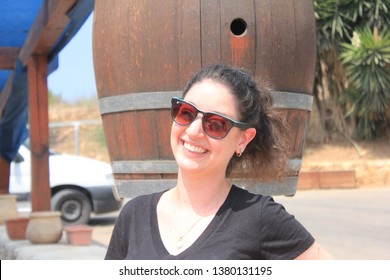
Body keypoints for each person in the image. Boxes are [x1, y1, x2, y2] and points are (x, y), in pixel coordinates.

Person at [105, 64, 332, 260]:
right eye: (186, 112)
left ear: (243, 139)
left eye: (216, 124)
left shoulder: (259, 217)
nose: (193, 131)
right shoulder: (134, 215)